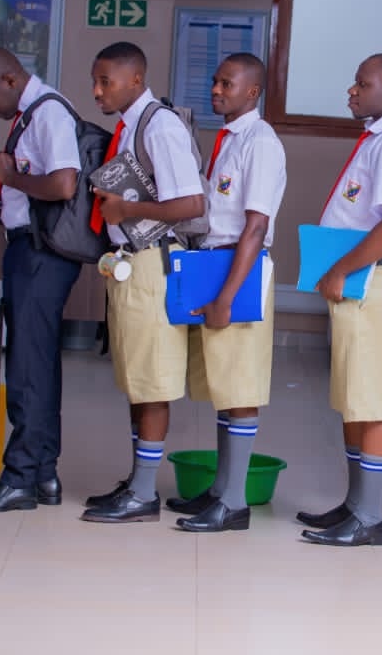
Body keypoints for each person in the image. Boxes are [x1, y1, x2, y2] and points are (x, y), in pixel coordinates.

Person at [297, 52, 382, 548]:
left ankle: (371, 517)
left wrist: (341, 268)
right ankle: (355, 505)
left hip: (377, 277)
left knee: (372, 396)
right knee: (355, 393)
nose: (352, 92)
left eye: (362, 84)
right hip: (363, 278)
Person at [81, 41, 206, 524]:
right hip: (129, 262)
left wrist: (126, 208)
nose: (96, 91)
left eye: (105, 81)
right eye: (95, 80)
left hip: (153, 263)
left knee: (151, 382)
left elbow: (191, 205)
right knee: (136, 378)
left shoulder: (161, 126)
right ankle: (137, 480)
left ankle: (144, 494)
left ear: (135, 79)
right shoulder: (132, 125)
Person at [0, 47, 82, 513]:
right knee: (37, 363)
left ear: (10, 79)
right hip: (32, 250)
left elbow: (64, 184)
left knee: (28, 367)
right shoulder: (34, 111)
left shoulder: (47, 113)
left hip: (39, 251)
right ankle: (43, 475)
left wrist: (9, 175)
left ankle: (21, 478)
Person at [165, 53, 287, 533]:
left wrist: (226, 297)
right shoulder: (227, 140)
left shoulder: (261, 143)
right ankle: (219, 488)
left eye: (227, 83)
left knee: (239, 385)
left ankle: (234, 502)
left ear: (252, 92)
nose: (216, 90)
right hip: (215, 261)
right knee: (221, 384)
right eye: (215, 81)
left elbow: (256, 226)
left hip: (241, 266)